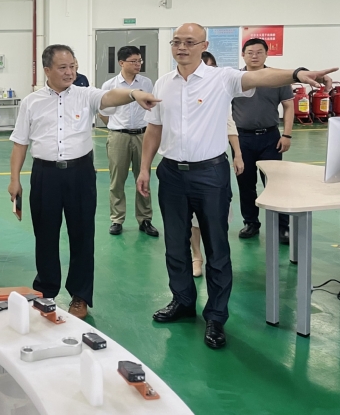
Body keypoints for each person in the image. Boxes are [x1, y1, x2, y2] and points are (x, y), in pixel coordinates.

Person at [137, 23, 335, 350]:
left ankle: (216, 316)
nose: (182, 47)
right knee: (175, 244)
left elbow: (261, 77)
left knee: (216, 247)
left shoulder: (222, 78)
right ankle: (183, 301)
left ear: (204, 45)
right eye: (176, 42)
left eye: (189, 42)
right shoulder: (163, 84)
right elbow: (154, 130)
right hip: (171, 174)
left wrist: (298, 74)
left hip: (210, 175)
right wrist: (145, 168)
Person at [8, 44, 160, 319]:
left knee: (82, 235)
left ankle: (80, 296)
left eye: (73, 67)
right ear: (47, 70)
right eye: (63, 68)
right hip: (45, 175)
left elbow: (110, 97)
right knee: (45, 235)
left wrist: (134, 94)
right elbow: (20, 143)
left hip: (80, 174)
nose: (70, 72)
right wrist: (14, 180)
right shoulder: (31, 102)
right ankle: (46, 291)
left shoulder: (85, 94)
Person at [232, 38, 295, 244]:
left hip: (270, 138)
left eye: (259, 52)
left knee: (275, 183)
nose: (254, 56)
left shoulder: (277, 78)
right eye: (250, 52)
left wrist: (287, 134)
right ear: (243, 55)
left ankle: (282, 227)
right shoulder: (235, 79)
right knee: (245, 183)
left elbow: (288, 106)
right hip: (242, 139)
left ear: (266, 54)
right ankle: (251, 223)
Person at [191, 51, 244, 278]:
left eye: (211, 67)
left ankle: (217, 257)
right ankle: (196, 256)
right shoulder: (183, 92)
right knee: (193, 217)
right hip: (190, 164)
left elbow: (230, 125)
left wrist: (238, 154)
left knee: (218, 213)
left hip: (215, 165)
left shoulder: (221, 93)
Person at [99, 46, 157, 237]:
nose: (138, 64)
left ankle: (145, 218)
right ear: (121, 63)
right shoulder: (110, 85)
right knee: (117, 180)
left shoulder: (146, 83)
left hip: (142, 135)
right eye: (133, 61)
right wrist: (114, 126)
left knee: (144, 177)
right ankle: (117, 219)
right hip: (119, 136)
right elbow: (103, 111)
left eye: (139, 61)